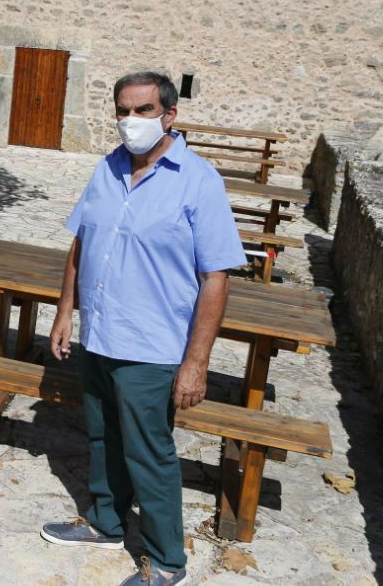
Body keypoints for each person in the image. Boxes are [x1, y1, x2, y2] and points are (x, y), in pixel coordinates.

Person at [42, 72, 247, 586]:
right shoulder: (106, 168)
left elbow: (216, 277)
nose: (130, 121)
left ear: (169, 116)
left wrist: (196, 363)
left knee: (148, 453)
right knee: (102, 437)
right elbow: (82, 243)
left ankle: (166, 560)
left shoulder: (199, 180)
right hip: (101, 335)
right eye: (123, 110)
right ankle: (106, 523)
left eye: (143, 110)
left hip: (153, 347)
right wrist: (67, 311)